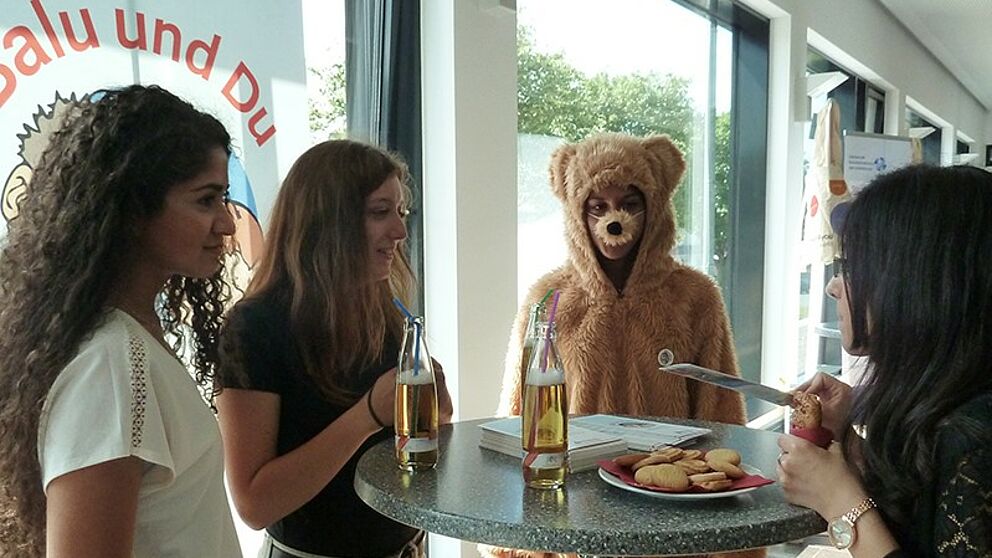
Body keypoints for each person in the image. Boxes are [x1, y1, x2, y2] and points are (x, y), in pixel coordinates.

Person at [0, 85, 242, 557]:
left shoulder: (131, 339)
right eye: (205, 200)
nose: (228, 223)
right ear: (133, 210)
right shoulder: (110, 365)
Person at [492, 133, 754, 558]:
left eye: (630, 203)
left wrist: (727, 539)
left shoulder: (694, 297)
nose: (613, 219)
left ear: (654, 206)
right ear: (577, 212)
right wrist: (516, 542)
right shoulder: (549, 300)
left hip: (670, 526)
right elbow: (517, 417)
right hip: (571, 523)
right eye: (597, 206)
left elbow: (722, 417)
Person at [217, 139, 453, 558]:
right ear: (327, 221)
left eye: (401, 212)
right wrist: (367, 415)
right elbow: (254, 503)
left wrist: (437, 414)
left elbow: (412, 455)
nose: (399, 231)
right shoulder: (254, 328)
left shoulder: (384, 315)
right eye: (381, 212)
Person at [778, 164, 992, 557]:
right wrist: (849, 443)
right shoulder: (949, 405)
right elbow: (923, 513)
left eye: (854, 268)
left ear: (917, 285)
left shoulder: (975, 441)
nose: (833, 286)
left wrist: (840, 500)